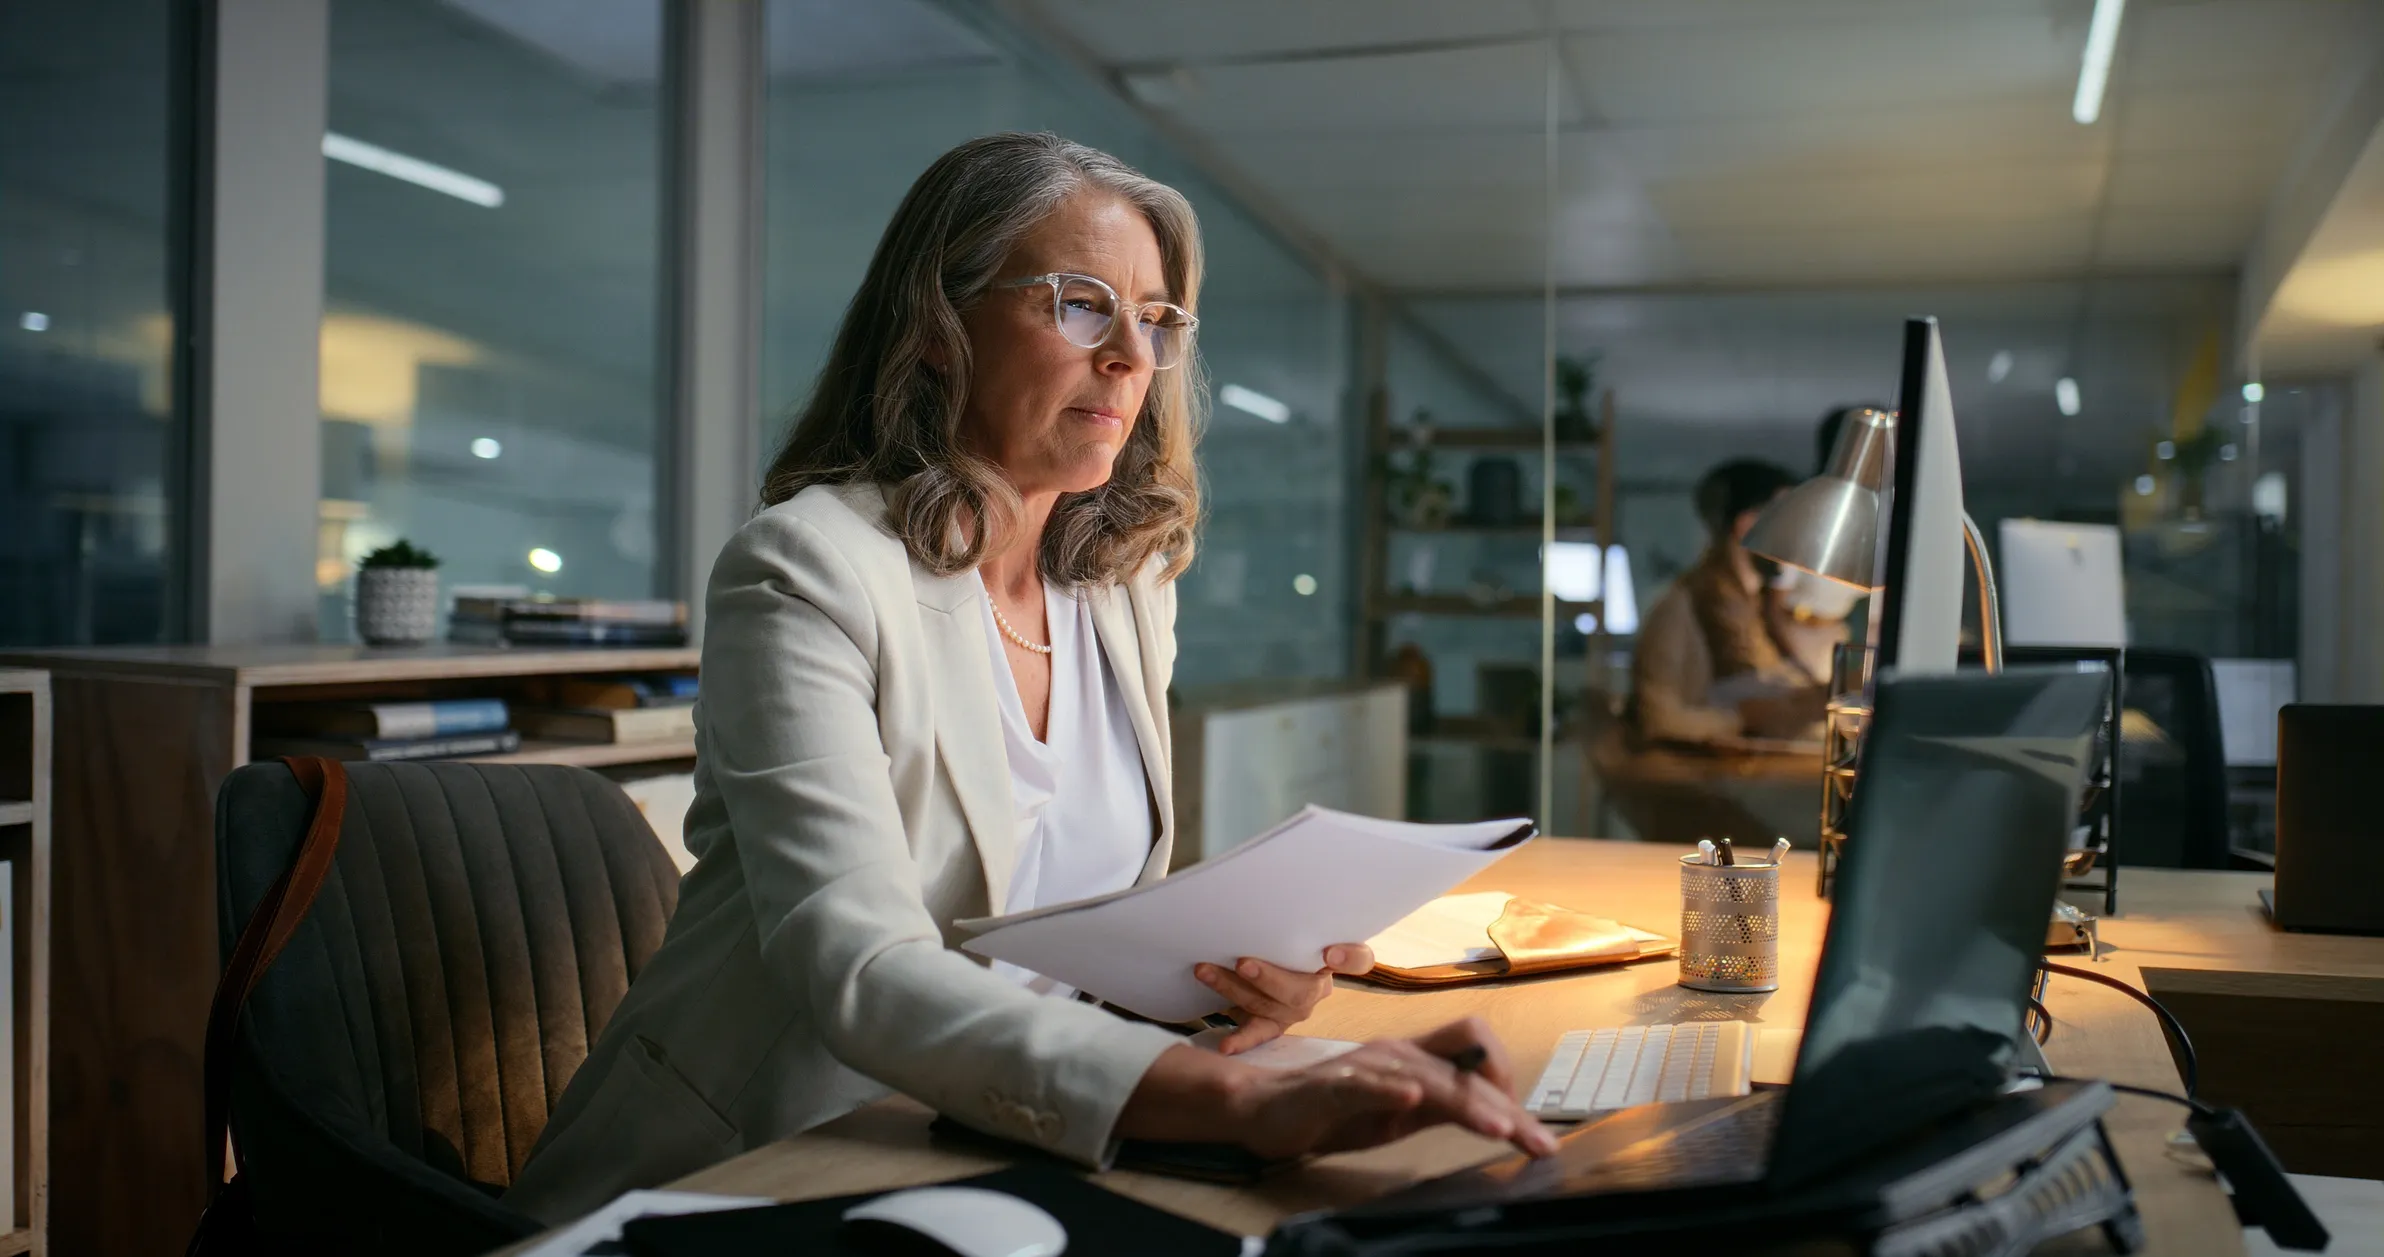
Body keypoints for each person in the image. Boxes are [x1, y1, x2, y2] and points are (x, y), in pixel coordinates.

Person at [504, 133, 1554, 1223]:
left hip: (989, 1152)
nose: (1130, 358)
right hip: (754, 1166)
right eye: (1078, 303)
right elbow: (858, 963)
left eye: (1154, 320)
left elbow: (1067, 941)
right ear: (937, 327)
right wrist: (1228, 1099)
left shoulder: (1125, 586)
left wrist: (1216, 992)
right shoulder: (807, 569)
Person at [1627, 458, 1829, 746]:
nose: (1798, 538)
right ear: (1746, 526)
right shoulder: (1681, 605)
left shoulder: (1758, 608)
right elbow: (1658, 721)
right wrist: (1742, 717)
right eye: (1789, 523)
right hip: (1694, 782)